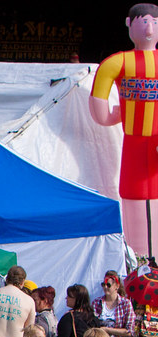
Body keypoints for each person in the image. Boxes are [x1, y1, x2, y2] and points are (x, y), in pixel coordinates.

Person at [89, 3, 158, 255]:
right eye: (144, 21)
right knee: (133, 197)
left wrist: (114, 114)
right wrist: (115, 115)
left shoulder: (116, 62)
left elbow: (100, 112)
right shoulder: (117, 62)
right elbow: (100, 111)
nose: (149, 29)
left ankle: (142, 262)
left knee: (135, 197)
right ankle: (142, 260)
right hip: (135, 149)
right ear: (129, 24)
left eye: (153, 22)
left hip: (140, 147)